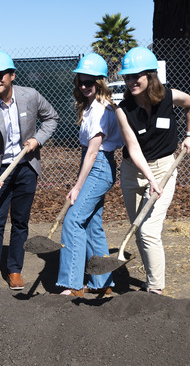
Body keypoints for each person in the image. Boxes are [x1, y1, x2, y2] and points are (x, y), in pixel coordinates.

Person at [0, 50, 59, 292]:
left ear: (11, 75)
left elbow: (51, 118)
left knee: (20, 221)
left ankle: (15, 270)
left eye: (0, 75)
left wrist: (38, 140)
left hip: (26, 168)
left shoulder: (30, 96)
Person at [116, 46, 190, 295]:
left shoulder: (169, 96)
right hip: (133, 171)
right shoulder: (123, 109)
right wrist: (149, 178)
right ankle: (152, 280)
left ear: (150, 75)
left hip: (164, 168)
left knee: (149, 230)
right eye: (127, 77)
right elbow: (133, 148)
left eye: (135, 76)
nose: (130, 82)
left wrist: (189, 134)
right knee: (139, 231)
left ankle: (155, 290)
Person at [56, 53, 123, 297]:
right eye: (81, 82)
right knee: (93, 225)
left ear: (101, 82)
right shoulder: (90, 106)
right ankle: (102, 283)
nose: (84, 86)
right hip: (95, 165)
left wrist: (77, 186)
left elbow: (93, 154)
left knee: (73, 221)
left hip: (99, 166)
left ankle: (72, 284)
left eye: (90, 82)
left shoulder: (101, 111)